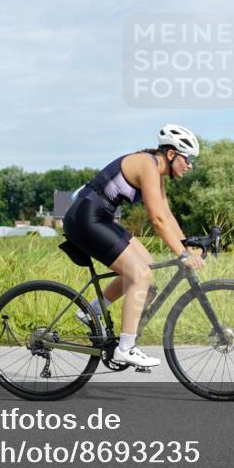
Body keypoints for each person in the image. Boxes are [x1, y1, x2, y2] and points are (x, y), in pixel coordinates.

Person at [62, 124, 205, 368]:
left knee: (145, 263)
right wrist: (182, 254)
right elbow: (157, 220)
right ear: (171, 154)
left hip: (100, 219)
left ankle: (91, 312)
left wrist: (188, 246)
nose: (190, 165)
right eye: (188, 158)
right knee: (141, 274)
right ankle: (125, 348)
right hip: (85, 219)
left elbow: (167, 215)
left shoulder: (156, 172)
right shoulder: (147, 165)